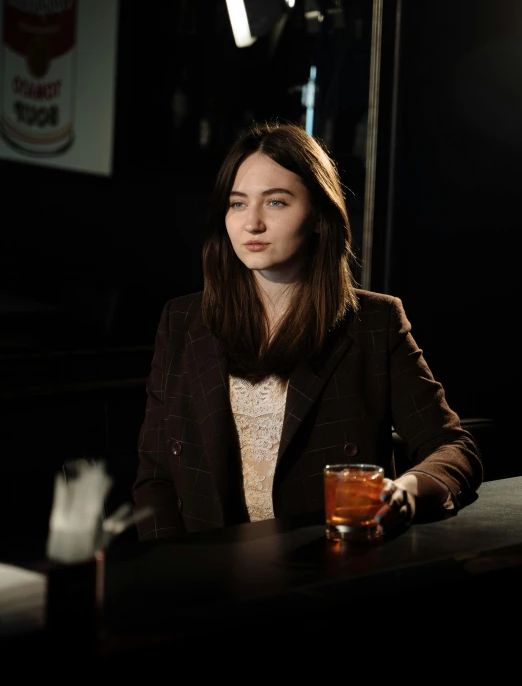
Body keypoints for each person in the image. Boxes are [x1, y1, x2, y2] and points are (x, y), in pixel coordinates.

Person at [132, 120, 483, 541]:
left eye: (276, 202)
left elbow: (453, 447)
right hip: (206, 579)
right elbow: (155, 477)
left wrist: (404, 492)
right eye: (237, 203)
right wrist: (173, 574)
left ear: (319, 214)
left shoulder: (374, 322)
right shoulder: (183, 321)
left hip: (327, 570)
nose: (252, 223)